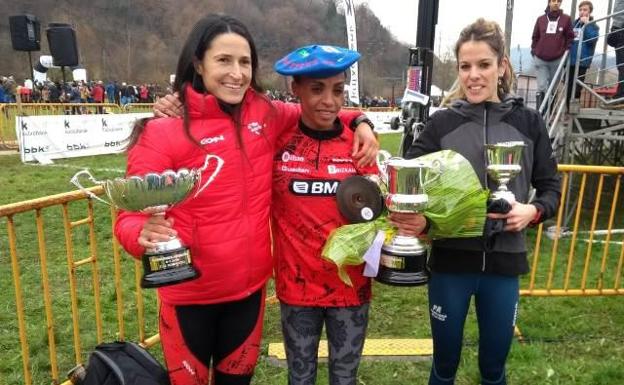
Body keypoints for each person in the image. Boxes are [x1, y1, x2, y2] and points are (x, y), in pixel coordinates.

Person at [114, 14, 378, 385]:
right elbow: (128, 215)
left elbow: (322, 111)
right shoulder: (162, 131)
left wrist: (362, 121)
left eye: (244, 62)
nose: (236, 73)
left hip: (247, 294)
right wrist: (141, 233)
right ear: (198, 63)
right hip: (189, 295)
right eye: (223, 60)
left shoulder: (264, 114)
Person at [396, 19, 561, 385]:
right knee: (444, 364)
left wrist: (533, 211)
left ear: (502, 65)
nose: (473, 75)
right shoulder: (441, 125)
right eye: (465, 66)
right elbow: (411, 186)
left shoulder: (529, 123)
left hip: (504, 265)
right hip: (451, 264)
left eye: (483, 65)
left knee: (493, 367)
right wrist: (424, 223)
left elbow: (550, 187)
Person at [271, 45, 377, 385]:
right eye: (317, 89)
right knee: (299, 379)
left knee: (344, 379)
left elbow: (377, 216)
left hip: (350, 288)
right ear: (295, 90)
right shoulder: (277, 144)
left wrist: (360, 120)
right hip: (296, 289)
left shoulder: (360, 147)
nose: (329, 101)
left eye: (338, 90)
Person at [531, 0, 574, 109]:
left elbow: (570, 37)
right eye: (553, 1)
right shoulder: (541, 19)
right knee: (541, 86)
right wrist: (534, 51)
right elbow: (535, 37)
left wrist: (566, 50)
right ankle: (540, 115)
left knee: (553, 88)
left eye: (558, 1)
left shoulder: (566, 19)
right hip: (540, 58)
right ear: (549, 3)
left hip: (557, 59)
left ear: (560, 3)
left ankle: (548, 115)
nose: (556, 3)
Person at [568, 1, 599, 103]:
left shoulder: (593, 26)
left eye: (585, 10)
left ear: (590, 12)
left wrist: (587, 25)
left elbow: (592, 40)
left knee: (577, 88)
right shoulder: (573, 25)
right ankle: (567, 109)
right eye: (580, 10)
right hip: (570, 61)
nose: (582, 12)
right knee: (568, 87)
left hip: (582, 61)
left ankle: (573, 108)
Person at [611, 0, 624, 99]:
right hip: (618, 27)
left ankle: (621, 94)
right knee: (621, 65)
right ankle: (620, 93)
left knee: (622, 65)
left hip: (620, 27)